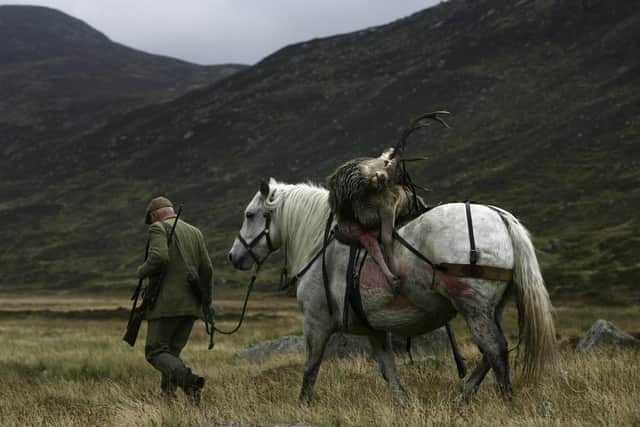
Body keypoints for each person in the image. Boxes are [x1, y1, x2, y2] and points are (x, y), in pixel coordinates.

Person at [136, 196, 214, 402]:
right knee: (171, 353)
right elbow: (207, 269)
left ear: (154, 215)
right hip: (190, 307)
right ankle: (167, 399)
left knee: (155, 352)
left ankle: (190, 383)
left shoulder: (157, 228)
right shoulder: (195, 232)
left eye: (152, 220)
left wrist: (142, 271)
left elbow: (159, 257)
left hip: (166, 304)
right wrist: (205, 299)